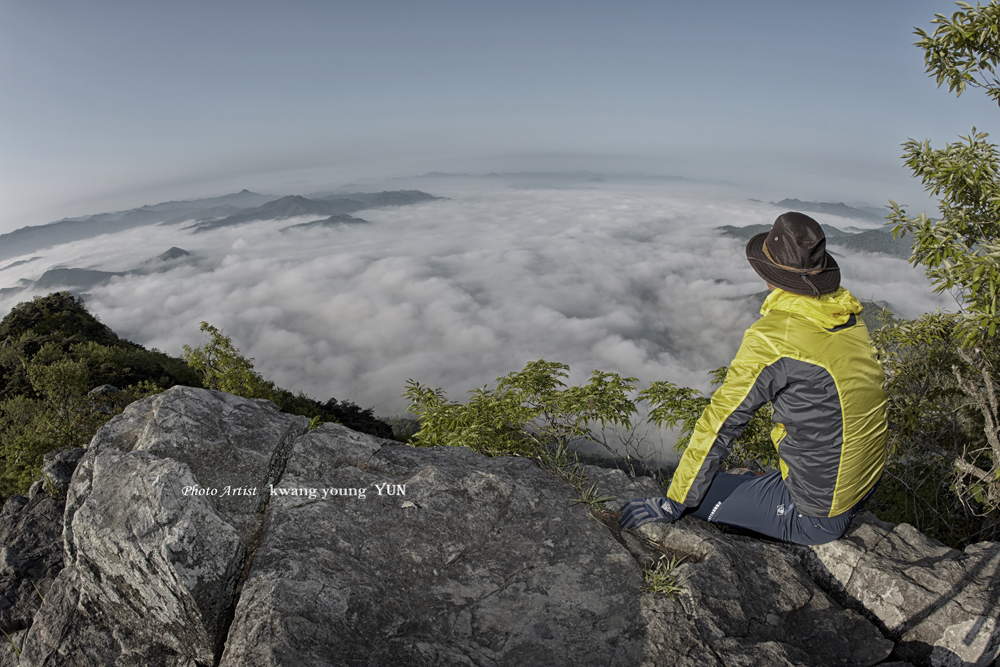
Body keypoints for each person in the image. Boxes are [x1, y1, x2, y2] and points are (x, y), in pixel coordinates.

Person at [619, 212, 887, 545]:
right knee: (729, 481)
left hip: (817, 513)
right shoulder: (846, 314)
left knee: (698, 497)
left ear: (768, 272)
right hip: (864, 481)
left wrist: (673, 502)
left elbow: (721, 421)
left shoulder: (773, 339)